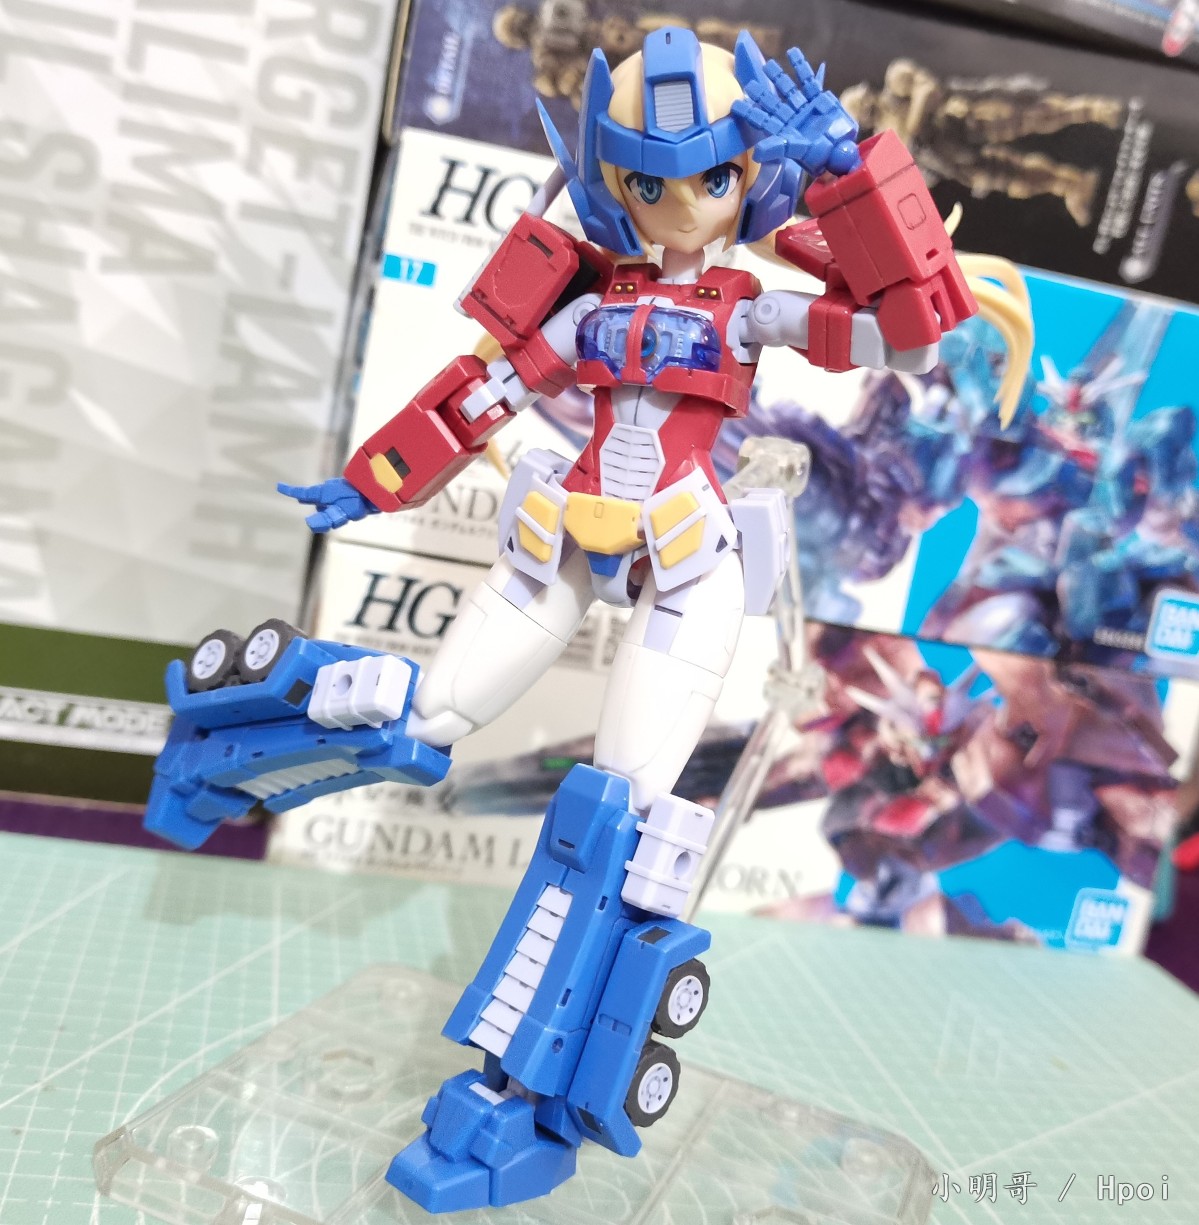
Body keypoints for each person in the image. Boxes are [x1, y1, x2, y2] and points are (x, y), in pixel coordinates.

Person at [157, 28, 1030, 1213]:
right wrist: (374, 480)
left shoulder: (752, 311)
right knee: (421, 716)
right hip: (561, 535)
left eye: (709, 177)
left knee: (609, 823)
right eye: (647, 182)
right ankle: (222, 746)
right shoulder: (591, 309)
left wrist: (853, 171)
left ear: (747, 175)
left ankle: (517, 1100)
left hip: (687, 561)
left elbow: (906, 333)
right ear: (611, 180)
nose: (679, 206)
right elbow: (479, 393)